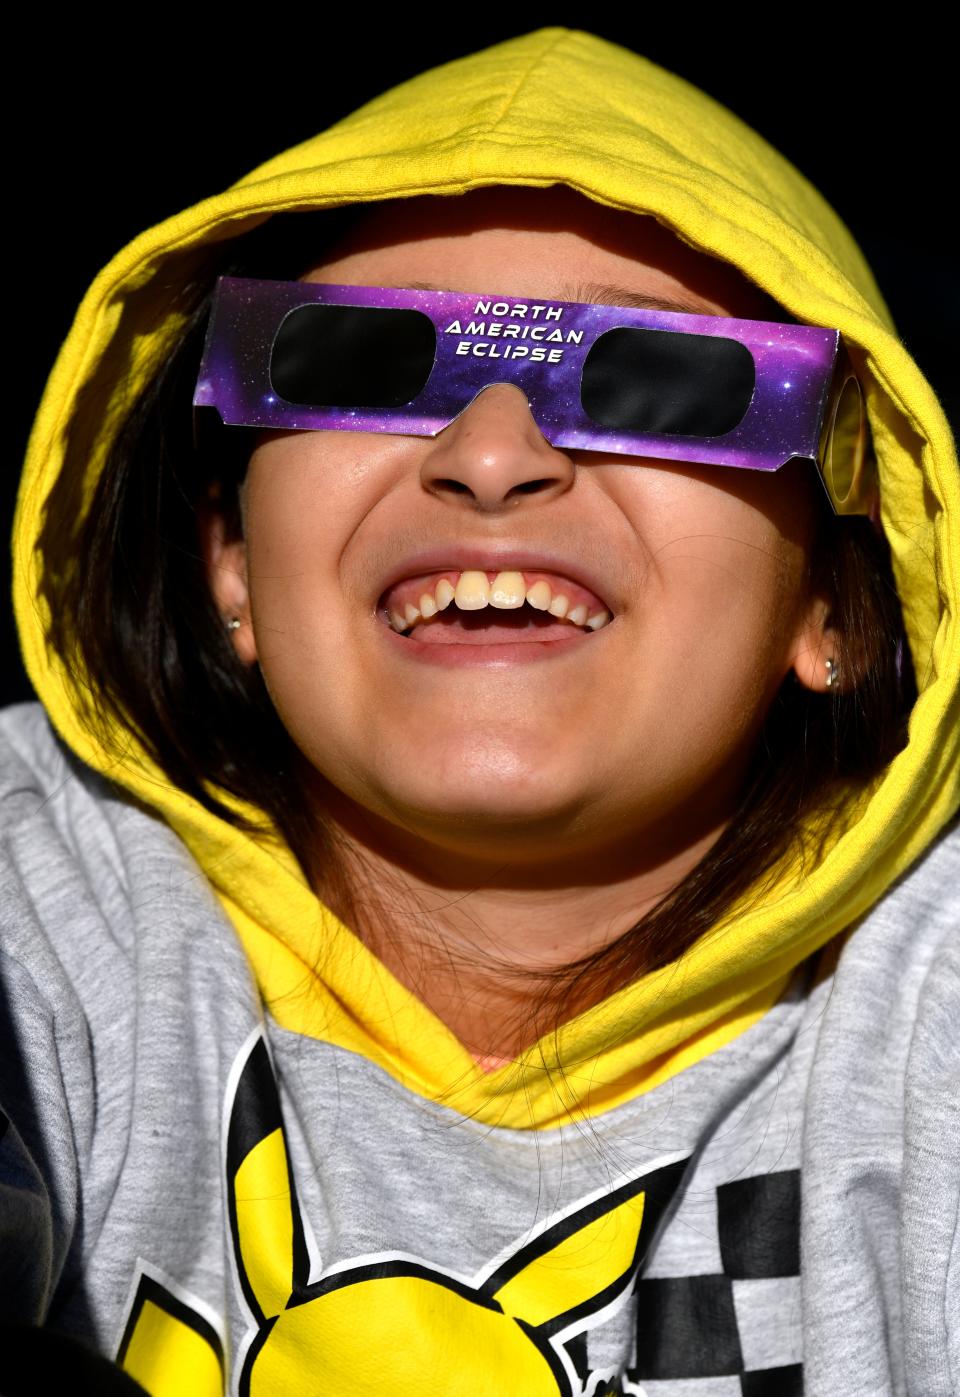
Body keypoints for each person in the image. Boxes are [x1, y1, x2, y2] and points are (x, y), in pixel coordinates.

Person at [2, 27, 957, 1397]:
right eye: (364, 363)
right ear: (231, 563)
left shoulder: (925, 1008)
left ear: (841, 608)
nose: (496, 453)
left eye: (660, 380)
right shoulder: (46, 895)